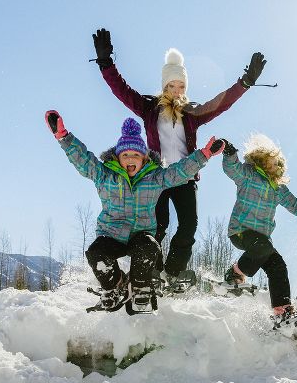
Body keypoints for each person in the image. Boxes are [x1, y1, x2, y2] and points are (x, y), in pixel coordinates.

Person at [91, 28, 266, 286]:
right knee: (156, 228)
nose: (176, 90)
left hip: (184, 178)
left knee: (188, 226)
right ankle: (151, 273)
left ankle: (172, 273)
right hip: (157, 178)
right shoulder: (149, 108)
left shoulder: (191, 112)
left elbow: (221, 102)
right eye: (171, 85)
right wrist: (106, 63)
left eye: (181, 85)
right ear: (164, 85)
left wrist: (245, 83)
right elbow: (122, 90)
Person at [44, 110, 223, 312]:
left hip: (140, 234)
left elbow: (178, 172)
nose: (131, 158)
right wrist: (64, 137)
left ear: (144, 158)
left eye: (136, 155)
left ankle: (140, 286)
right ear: (118, 157)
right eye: (126, 154)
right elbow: (84, 160)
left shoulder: (154, 177)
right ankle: (115, 284)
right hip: (111, 234)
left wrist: (204, 155)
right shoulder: (105, 175)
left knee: (149, 247)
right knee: (96, 253)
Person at [219, 134, 297, 320]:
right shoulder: (248, 175)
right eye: (272, 163)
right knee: (263, 245)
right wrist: (230, 153)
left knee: (278, 266)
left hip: (262, 242)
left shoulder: (278, 188)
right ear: (261, 161)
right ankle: (234, 273)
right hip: (241, 232)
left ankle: (283, 310)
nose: (276, 167)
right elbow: (232, 169)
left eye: (278, 164)